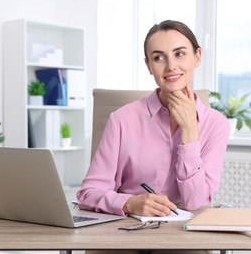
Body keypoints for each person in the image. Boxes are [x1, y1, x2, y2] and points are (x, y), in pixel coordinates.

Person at [77, 20, 230, 221]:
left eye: (180, 54)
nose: (171, 66)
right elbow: (88, 193)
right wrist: (128, 203)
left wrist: (190, 131)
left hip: (182, 230)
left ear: (197, 57)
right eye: (159, 58)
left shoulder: (216, 125)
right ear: (149, 65)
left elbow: (196, 202)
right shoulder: (121, 119)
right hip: (126, 225)